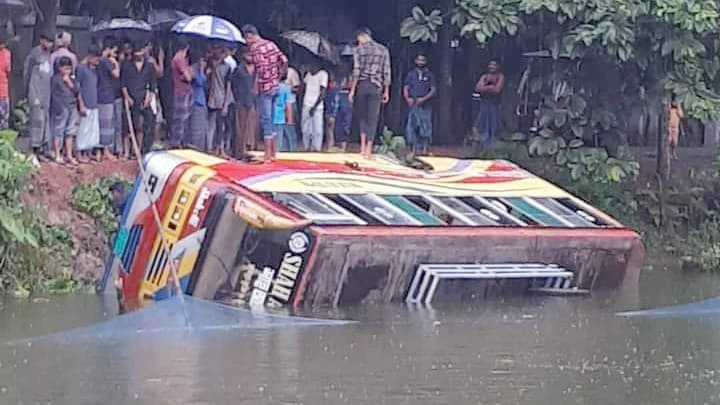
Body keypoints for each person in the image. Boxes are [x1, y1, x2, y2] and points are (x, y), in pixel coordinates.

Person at [242, 24, 288, 163]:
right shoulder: (271, 44)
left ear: (250, 35)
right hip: (275, 86)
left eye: (246, 39)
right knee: (272, 119)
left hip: (264, 87)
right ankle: (273, 152)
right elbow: (284, 60)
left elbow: (260, 69)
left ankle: (267, 154)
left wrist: (255, 85)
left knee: (266, 120)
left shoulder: (256, 48)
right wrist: (279, 75)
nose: (246, 42)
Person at [349, 27, 391, 159]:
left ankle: (362, 148)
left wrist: (352, 90)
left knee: (362, 116)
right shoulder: (383, 50)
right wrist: (386, 90)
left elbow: (356, 71)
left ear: (362, 36)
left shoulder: (358, 50)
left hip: (362, 85)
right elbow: (386, 72)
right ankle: (368, 149)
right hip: (376, 86)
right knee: (373, 118)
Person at [121, 41, 156, 155]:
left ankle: (138, 150)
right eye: (136, 52)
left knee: (142, 126)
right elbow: (123, 84)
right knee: (127, 127)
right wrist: (127, 97)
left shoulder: (149, 66)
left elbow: (152, 85)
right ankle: (127, 152)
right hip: (130, 100)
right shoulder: (126, 65)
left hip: (143, 99)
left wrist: (149, 98)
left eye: (140, 52)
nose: (138, 54)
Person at [24, 30, 53, 160]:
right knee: (37, 121)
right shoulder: (35, 54)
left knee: (44, 123)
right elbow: (27, 74)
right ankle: (33, 150)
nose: (49, 44)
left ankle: (41, 150)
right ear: (42, 40)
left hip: (46, 94)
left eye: (51, 42)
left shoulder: (49, 55)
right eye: (47, 41)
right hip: (35, 93)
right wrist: (31, 94)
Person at [403, 53, 436, 155]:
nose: (420, 62)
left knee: (425, 127)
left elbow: (433, 89)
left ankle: (424, 150)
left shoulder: (429, 75)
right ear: (415, 61)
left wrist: (424, 98)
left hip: (425, 105)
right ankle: (413, 150)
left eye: (423, 60)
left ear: (425, 62)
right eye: (419, 60)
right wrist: (407, 98)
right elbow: (406, 87)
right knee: (412, 126)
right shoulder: (411, 74)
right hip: (413, 103)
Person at [50, 56, 79, 165]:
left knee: (70, 131)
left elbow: (76, 91)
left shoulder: (72, 79)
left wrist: (68, 82)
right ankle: (57, 154)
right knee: (59, 131)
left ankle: (69, 155)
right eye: (65, 68)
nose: (67, 71)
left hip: (71, 106)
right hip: (61, 108)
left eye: (69, 68)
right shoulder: (55, 79)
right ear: (60, 68)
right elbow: (54, 95)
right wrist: (59, 108)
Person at [75, 44, 102, 163]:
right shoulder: (81, 68)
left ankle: (88, 152)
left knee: (92, 130)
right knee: (83, 129)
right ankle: (79, 153)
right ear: (90, 56)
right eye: (96, 59)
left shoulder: (93, 69)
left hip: (93, 103)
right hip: (85, 103)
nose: (97, 62)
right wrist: (81, 104)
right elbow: (78, 87)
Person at [231, 49, 258, 157]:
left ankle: (251, 149)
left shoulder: (257, 70)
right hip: (241, 100)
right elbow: (233, 85)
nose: (250, 57)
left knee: (252, 127)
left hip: (253, 100)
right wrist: (236, 97)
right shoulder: (239, 69)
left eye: (252, 55)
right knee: (240, 128)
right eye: (248, 54)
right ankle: (239, 152)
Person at [207, 45, 233, 156]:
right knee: (211, 124)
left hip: (221, 99)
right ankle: (209, 147)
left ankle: (220, 148)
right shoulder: (210, 65)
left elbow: (228, 86)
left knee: (220, 125)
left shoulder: (227, 68)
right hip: (211, 98)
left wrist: (226, 104)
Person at [97, 36, 120, 160]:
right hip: (106, 95)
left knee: (103, 123)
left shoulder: (99, 60)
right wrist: (115, 63)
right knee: (106, 124)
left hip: (101, 94)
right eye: (114, 51)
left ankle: (101, 151)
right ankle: (105, 150)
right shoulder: (106, 61)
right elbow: (116, 74)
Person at [473, 60, 505, 146]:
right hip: (484, 104)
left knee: (494, 124)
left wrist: (485, 88)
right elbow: (477, 88)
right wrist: (490, 87)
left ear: (498, 66)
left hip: (495, 104)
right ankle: (484, 144)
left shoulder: (500, 76)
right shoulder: (485, 76)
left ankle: (493, 144)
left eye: (494, 65)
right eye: (490, 65)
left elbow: (497, 90)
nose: (492, 67)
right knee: (483, 124)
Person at [302, 61, 328, 151]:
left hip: (318, 107)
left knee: (317, 130)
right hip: (306, 104)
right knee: (306, 129)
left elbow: (323, 93)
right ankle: (307, 147)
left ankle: (317, 148)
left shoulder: (323, 74)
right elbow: (303, 88)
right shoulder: (308, 75)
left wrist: (314, 107)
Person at [170, 39, 192, 148]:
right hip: (181, 92)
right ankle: (177, 143)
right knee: (181, 119)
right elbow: (188, 77)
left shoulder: (182, 59)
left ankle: (182, 142)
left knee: (185, 118)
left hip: (184, 91)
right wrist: (188, 74)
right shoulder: (179, 59)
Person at [189, 51, 208, 150]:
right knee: (196, 128)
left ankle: (201, 148)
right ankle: (195, 148)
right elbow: (199, 82)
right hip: (195, 101)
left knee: (202, 128)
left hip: (202, 100)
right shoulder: (193, 71)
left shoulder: (201, 72)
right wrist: (200, 68)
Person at [275, 74, 294, 152]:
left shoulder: (270, 86)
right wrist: (289, 119)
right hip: (280, 117)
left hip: (270, 116)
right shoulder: (285, 88)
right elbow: (288, 105)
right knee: (280, 140)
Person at [0, 33, 11, 130]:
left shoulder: (7, 53)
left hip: (3, 90)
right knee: (3, 119)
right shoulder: (6, 53)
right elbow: (8, 69)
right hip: (3, 90)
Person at [324, 74, 338, 150]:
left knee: (330, 130)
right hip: (329, 113)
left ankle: (330, 145)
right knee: (329, 130)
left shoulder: (333, 92)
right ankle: (329, 145)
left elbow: (334, 104)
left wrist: (332, 114)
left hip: (331, 113)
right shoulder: (329, 92)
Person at [669, 96, 684, 160]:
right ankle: (669, 154)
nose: (675, 102)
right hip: (669, 127)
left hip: (675, 127)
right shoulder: (670, 109)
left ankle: (674, 154)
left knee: (675, 142)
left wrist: (679, 106)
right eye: (674, 101)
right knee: (669, 141)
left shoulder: (677, 110)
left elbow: (681, 116)